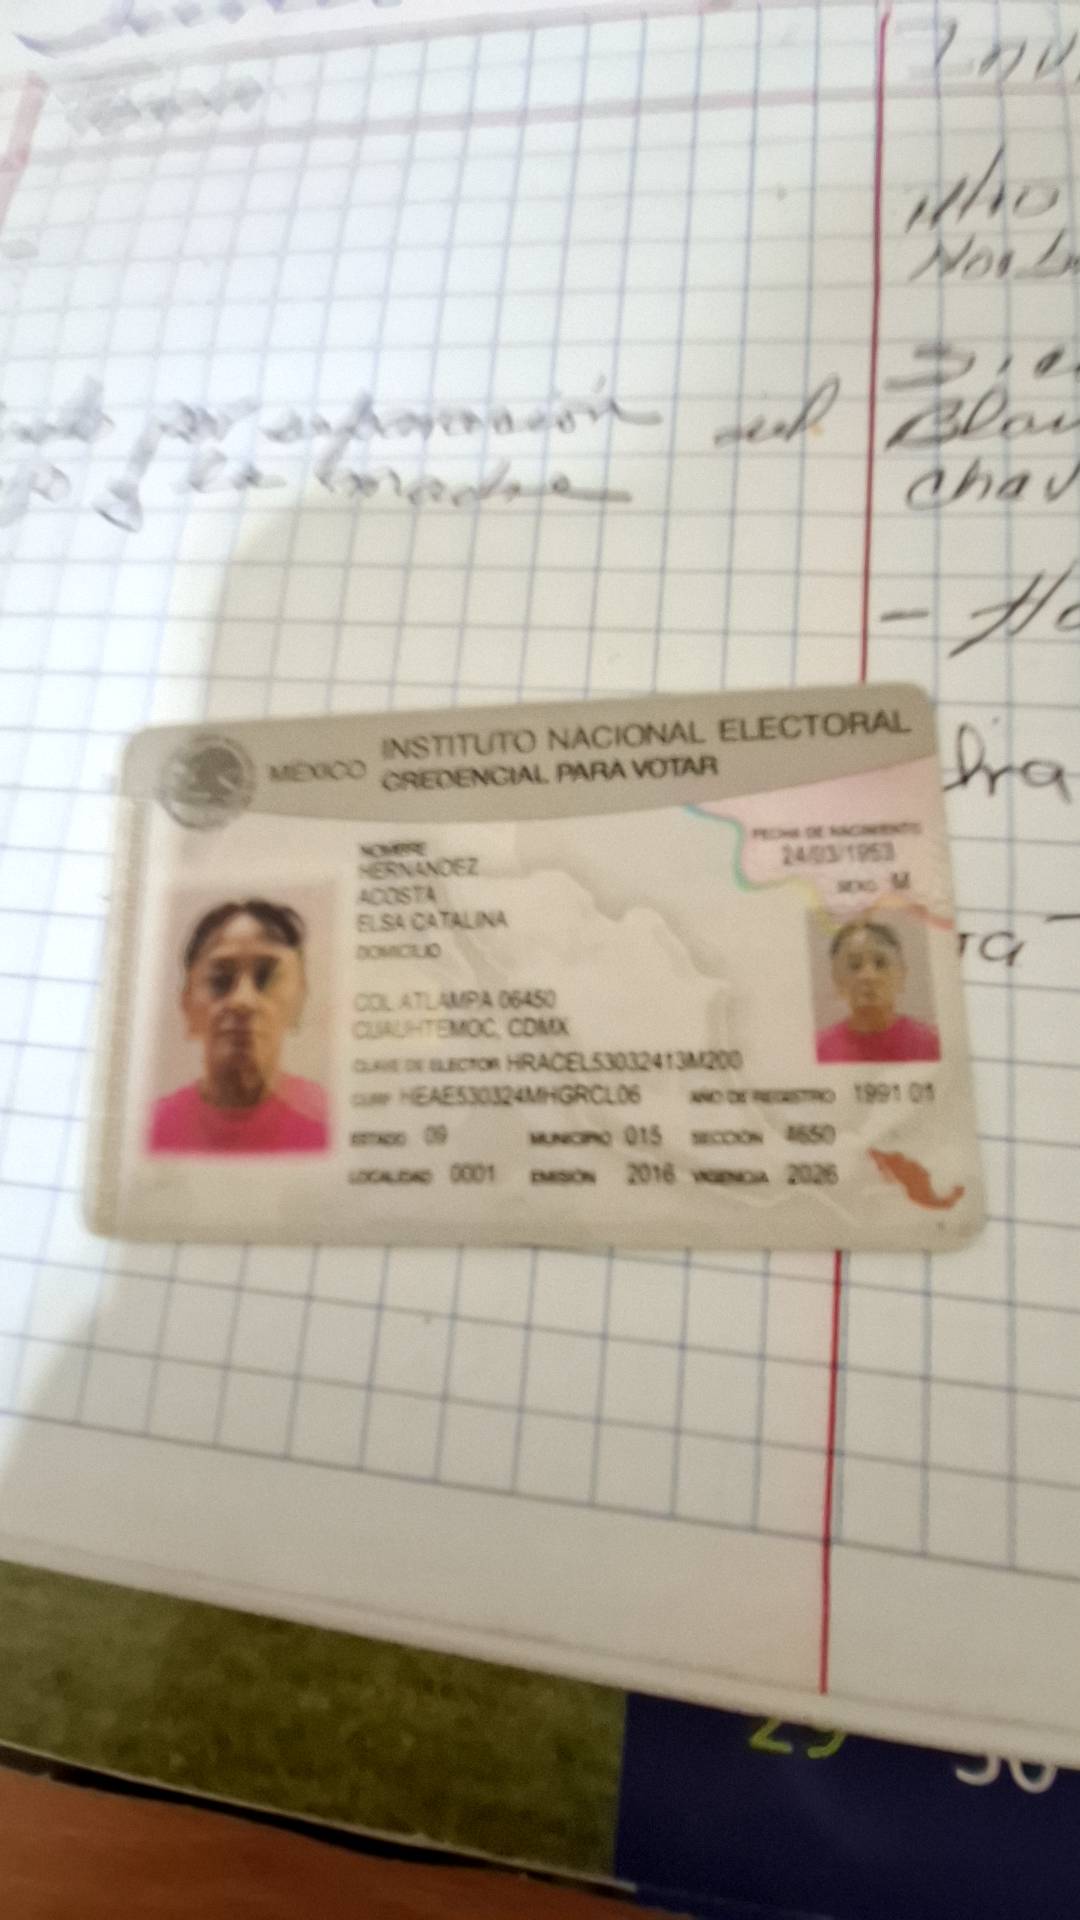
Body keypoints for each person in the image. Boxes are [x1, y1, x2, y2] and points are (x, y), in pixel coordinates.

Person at [149, 899, 329, 1153]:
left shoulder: (332, 1126)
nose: (243, 1001)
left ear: (299, 1001)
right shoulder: (150, 1130)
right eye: (221, 980)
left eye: (266, 979)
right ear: (187, 1003)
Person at [816, 920, 940, 1065]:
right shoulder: (819, 1049)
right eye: (855, 966)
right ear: (837, 980)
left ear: (901, 974)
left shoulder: (931, 1044)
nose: (868, 976)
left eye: (880, 963)